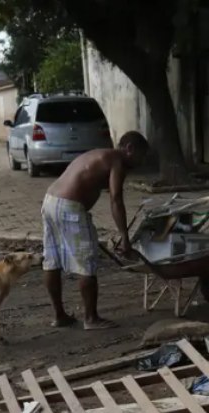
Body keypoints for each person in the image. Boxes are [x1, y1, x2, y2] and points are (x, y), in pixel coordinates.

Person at [41, 131, 150, 329]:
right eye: (141, 156)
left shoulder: (100, 154)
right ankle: (90, 318)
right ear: (130, 149)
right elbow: (116, 199)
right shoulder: (117, 161)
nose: (142, 162)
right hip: (70, 208)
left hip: (50, 201)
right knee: (86, 261)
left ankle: (59, 316)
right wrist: (124, 236)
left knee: (52, 260)